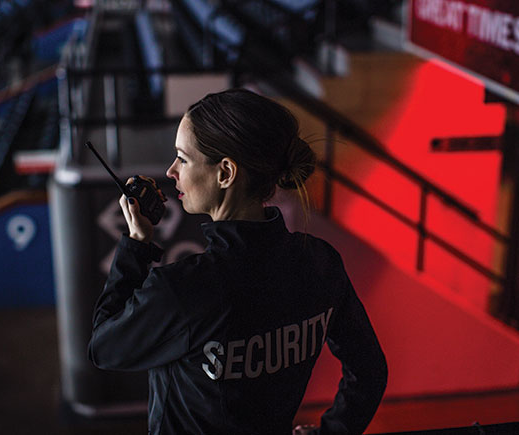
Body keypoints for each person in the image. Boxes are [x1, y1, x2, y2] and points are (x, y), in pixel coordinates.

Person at [88, 88, 388, 434]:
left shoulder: (184, 290)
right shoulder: (320, 263)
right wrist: (335, 431)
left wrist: (136, 246)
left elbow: (104, 348)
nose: (171, 172)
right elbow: (369, 369)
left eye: (183, 159)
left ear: (226, 173)